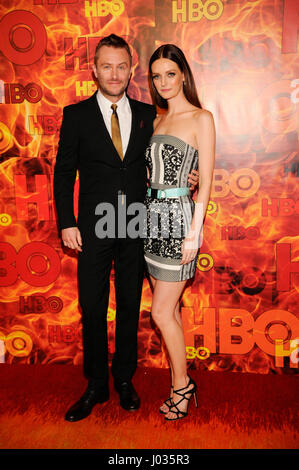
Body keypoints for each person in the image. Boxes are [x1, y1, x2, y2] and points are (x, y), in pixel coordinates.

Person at [54, 34, 198, 422]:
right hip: (93, 227)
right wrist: (66, 222)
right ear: (94, 69)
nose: (114, 74)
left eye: (121, 66)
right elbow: (64, 173)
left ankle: (123, 380)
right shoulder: (76, 115)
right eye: (106, 66)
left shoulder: (150, 113)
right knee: (93, 305)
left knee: (131, 306)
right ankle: (96, 383)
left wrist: (189, 175)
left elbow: (167, 158)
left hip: (140, 225)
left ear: (132, 68)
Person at [144, 44, 215, 420]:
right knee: (170, 310)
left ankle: (182, 387)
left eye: (170, 73)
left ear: (183, 74)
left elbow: (205, 182)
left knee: (160, 312)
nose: (163, 82)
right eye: (156, 76)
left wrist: (193, 231)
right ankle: (179, 379)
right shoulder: (157, 121)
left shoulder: (201, 118)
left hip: (178, 221)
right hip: (150, 219)